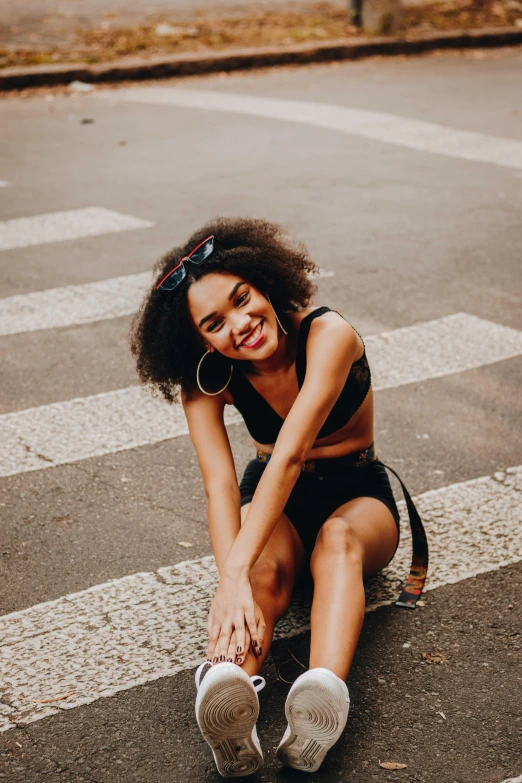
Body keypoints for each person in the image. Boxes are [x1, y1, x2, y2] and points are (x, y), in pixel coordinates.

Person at [130, 217, 427, 778]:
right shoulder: (206, 382)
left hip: (356, 495)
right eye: (215, 324)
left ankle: (321, 700)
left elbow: (291, 454)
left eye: (243, 298)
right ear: (197, 341)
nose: (241, 325)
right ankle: (229, 686)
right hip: (272, 498)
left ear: (265, 283)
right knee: (260, 573)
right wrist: (233, 580)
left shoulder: (328, 335)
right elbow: (219, 484)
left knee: (337, 543)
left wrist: (231, 572)